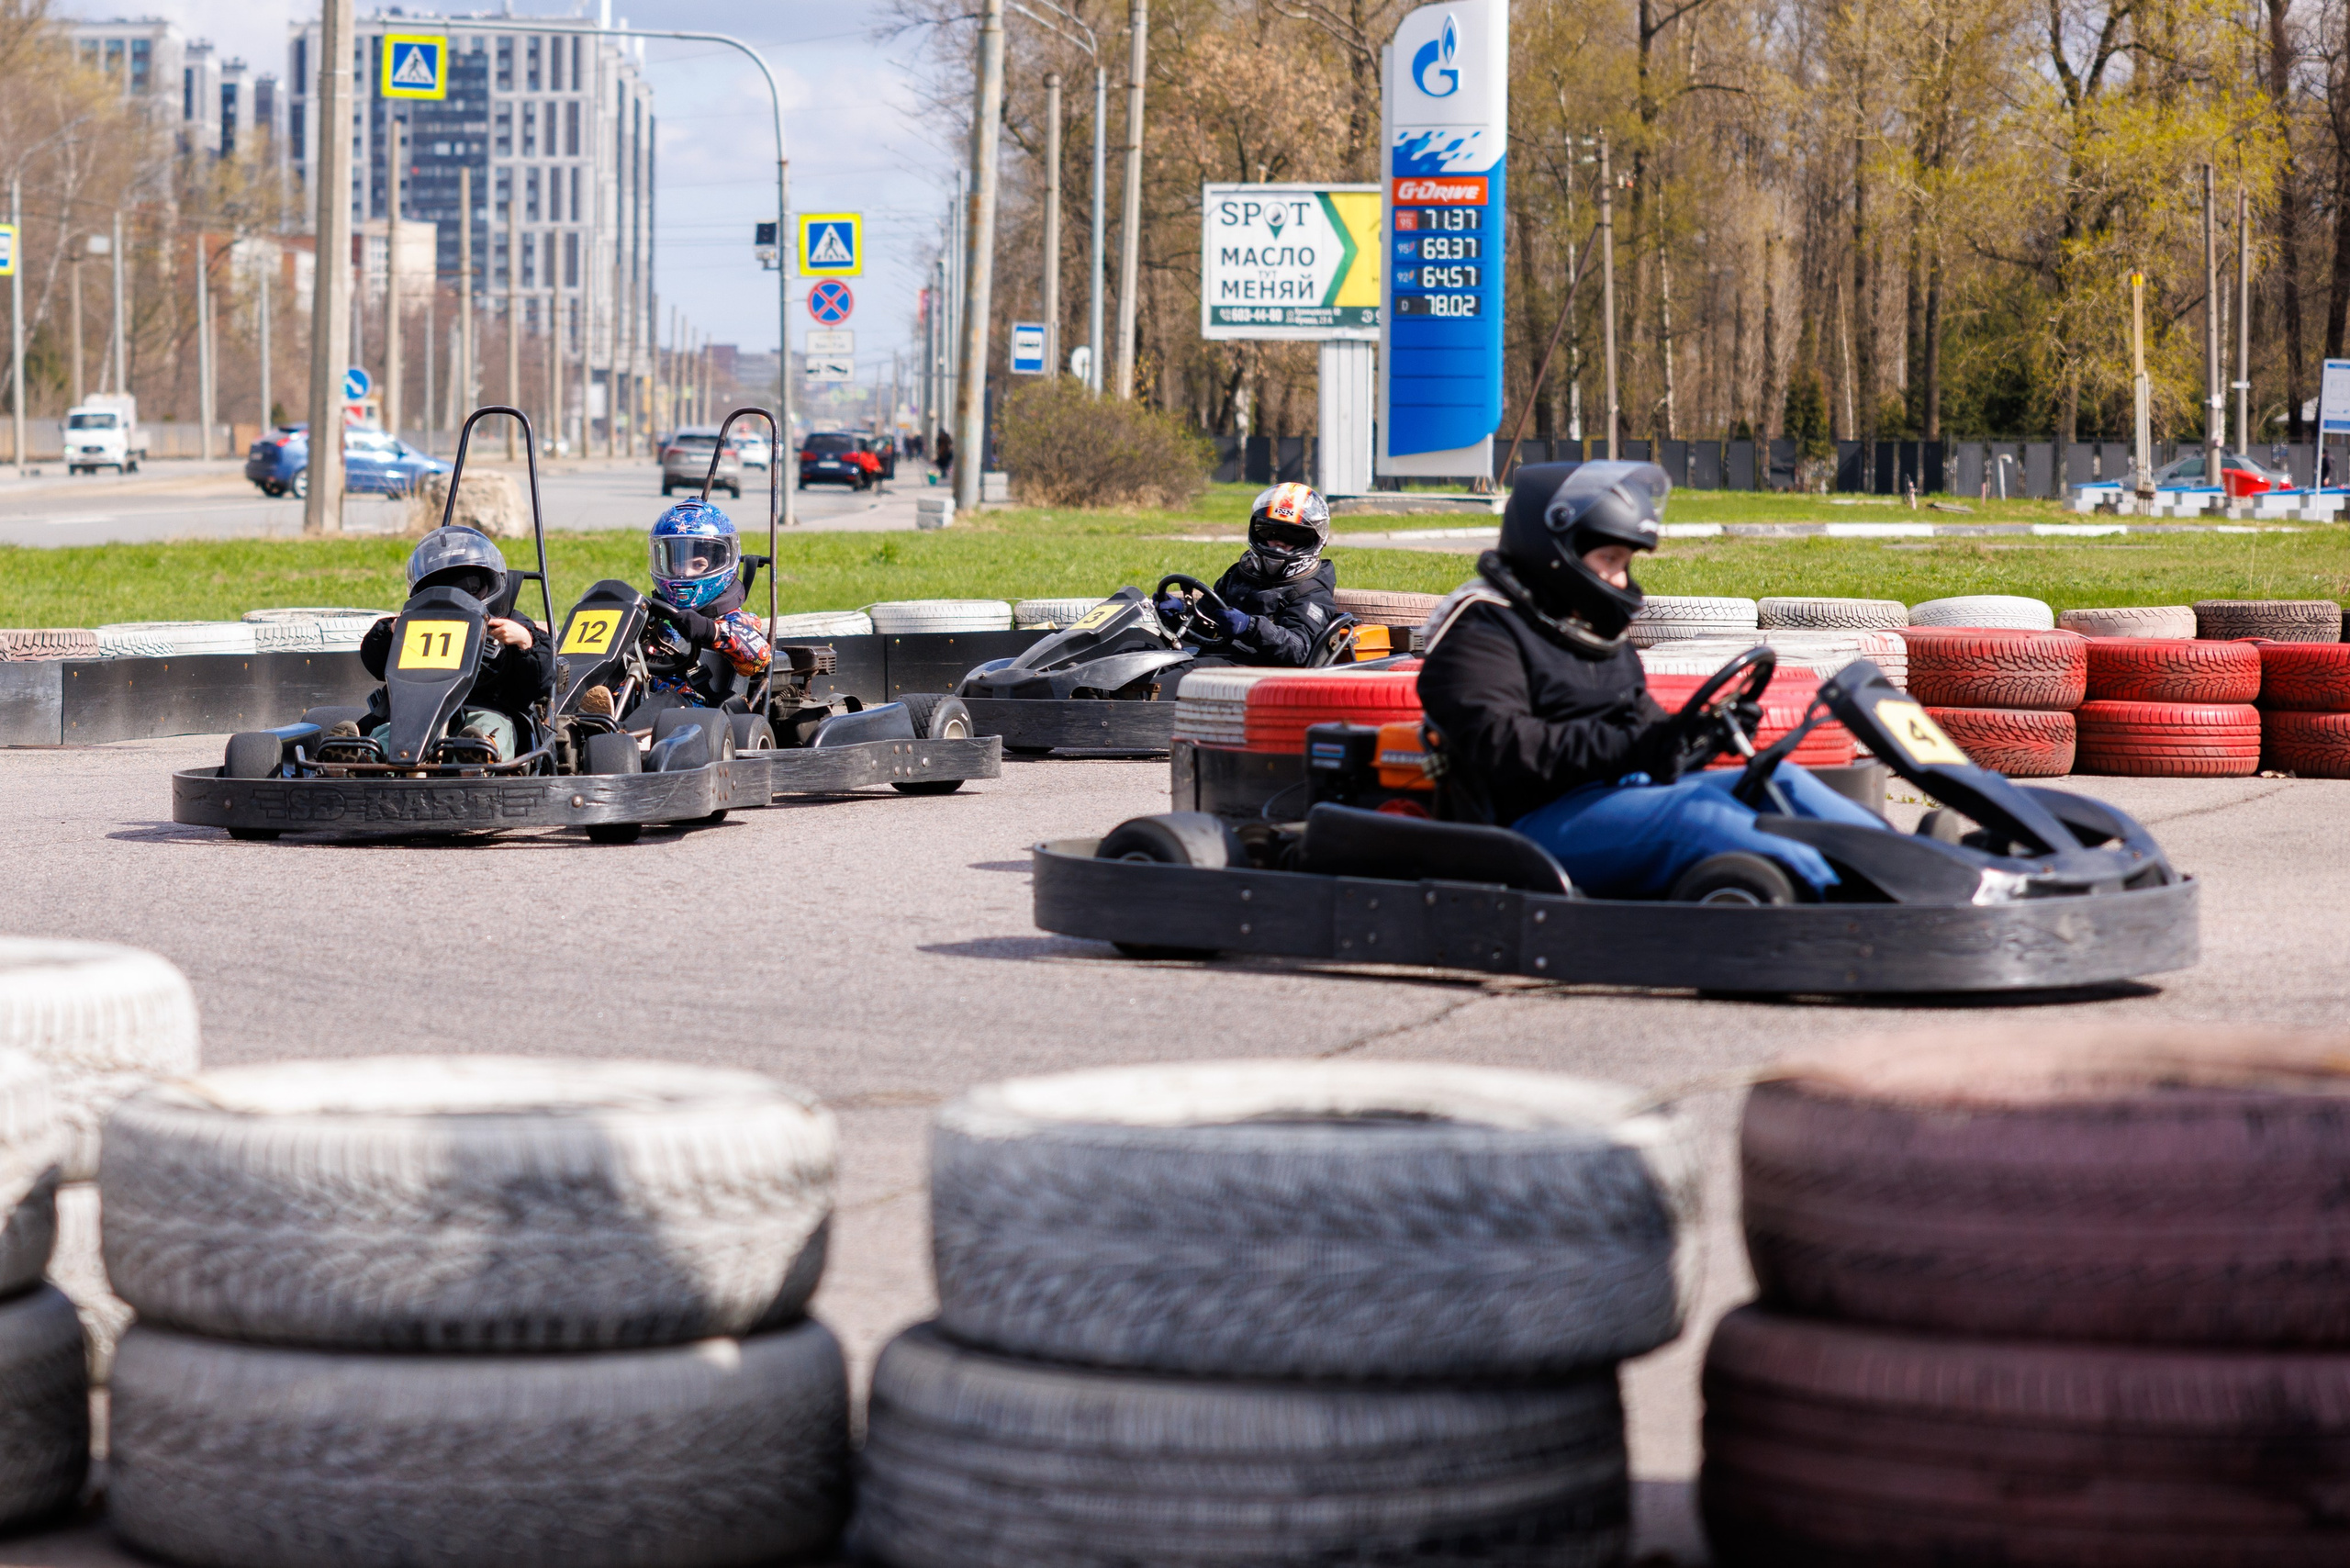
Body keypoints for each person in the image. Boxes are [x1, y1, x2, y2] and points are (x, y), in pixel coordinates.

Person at [1415, 460, 1883, 901]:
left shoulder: (1587, 629)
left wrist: (1696, 732)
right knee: (1697, 818)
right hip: (1530, 823)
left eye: (1626, 563)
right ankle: (1858, 905)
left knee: (1778, 778)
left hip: (1621, 794)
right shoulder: (1482, 628)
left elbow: (1643, 729)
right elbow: (1503, 745)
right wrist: (1634, 746)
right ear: (1553, 551)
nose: (1620, 580)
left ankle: (1919, 868)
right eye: (1610, 559)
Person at [350, 526, 554, 760]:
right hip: (419, 714)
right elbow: (375, 663)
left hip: (490, 708)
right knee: (391, 731)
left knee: (489, 726)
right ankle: (362, 758)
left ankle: (478, 756)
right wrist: (390, 634)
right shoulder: (412, 624)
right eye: (442, 587)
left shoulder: (511, 623)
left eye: (470, 588)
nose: (455, 597)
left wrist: (525, 643)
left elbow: (542, 679)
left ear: (492, 582)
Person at [584, 498, 771, 717]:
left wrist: (710, 631)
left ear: (723, 561)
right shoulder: (656, 617)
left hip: (698, 712)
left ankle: (626, 733)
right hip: (641, 697)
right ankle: (588, 715)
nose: (685, 574)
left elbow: (759, 657)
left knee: (667, 702)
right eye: (677, 564)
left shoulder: (735, 620)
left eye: (697, 564)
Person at [1160, 481, 1341, 667]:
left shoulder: (1312, 593)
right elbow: (1207, 624)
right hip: (1219, 656)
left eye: (1293, 536)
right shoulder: (1240, 574)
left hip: (1259, 670)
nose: (1278, 543)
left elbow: (1298, 648)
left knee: (1179, 673)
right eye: (1269, 532)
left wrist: (1251, 627)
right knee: (1139, 647)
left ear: (1314, 540)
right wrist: (1180, 613)